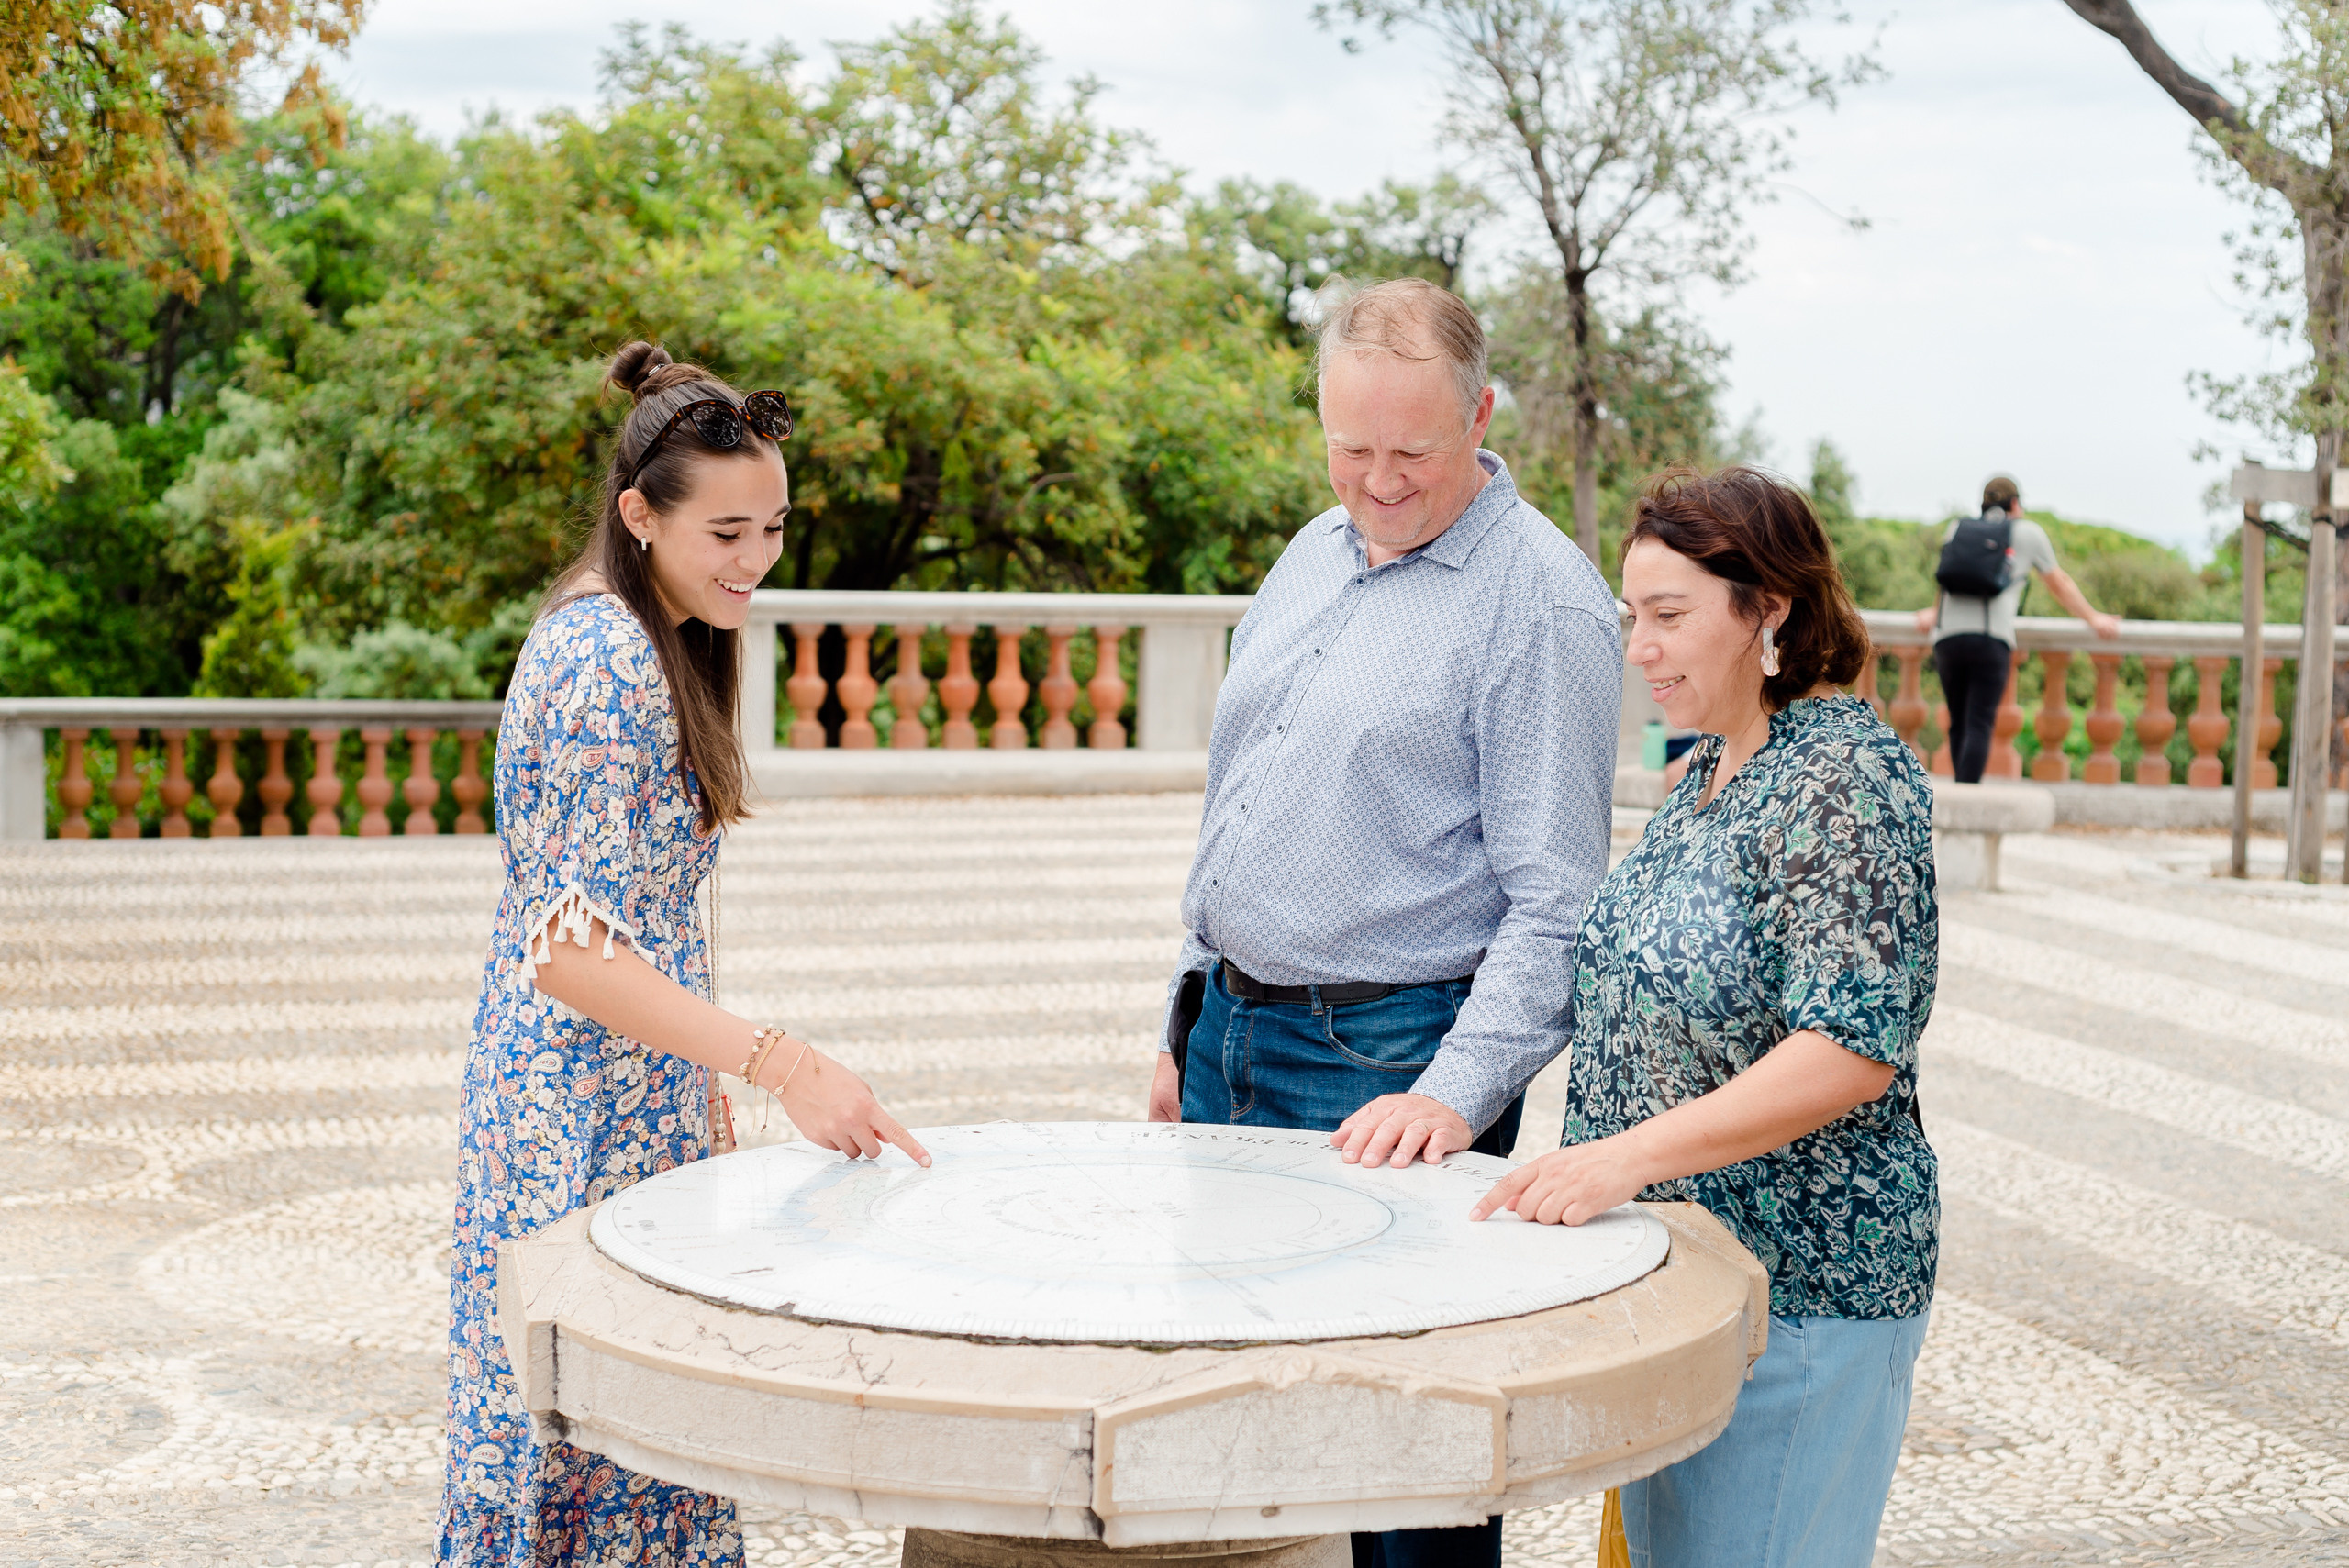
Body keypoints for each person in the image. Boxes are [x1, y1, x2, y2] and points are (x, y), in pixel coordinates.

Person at [1146, 277, 1621, 1568]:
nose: (1379, 479)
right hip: (1230, 1035)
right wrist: (1187, 1012)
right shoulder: (1316, 546)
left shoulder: (1544, 605)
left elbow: (1561, 902)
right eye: (1350, 448)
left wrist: (1457, 1097)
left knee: (1406, 1473)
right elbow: (1237, 789)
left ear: (1479, 416)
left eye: (1411, 450)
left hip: (1389, 1065)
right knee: (1243, 1427)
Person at [438, 342, 929, 1566]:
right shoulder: (605, 659)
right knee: (580, 1452)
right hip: (570, 1107)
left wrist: (699, 1071)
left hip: (628, 1084)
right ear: (639, 515)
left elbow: (645, 907)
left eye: (772, 527)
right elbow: (569, 955)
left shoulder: (661, 632)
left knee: (633, 1450)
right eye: (726, 533)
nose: (756, 560)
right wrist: (781, 1062)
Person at [1475, 466, 1939, 1568]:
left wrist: (1618, 1160)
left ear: (1767, 608)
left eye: (1671, 615)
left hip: (1802, 1299)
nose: (1640, 645)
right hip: (1684, 1291)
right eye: (1635, 615)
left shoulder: (1845, 775)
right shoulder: (1707, 773)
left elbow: (1850, 1046)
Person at [1916, 474, 2120, 782]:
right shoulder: (2027, 532)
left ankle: (1960, 799)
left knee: (1958, 721)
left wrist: (1933, 612)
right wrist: (2093, 618)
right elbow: (2058, 583)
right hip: (1991, 639)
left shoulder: (1957, 528)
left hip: (1948, 639)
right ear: (2015, 504)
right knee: (1979, 722)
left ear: (1983, 503)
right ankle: (1967, 798)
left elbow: (1945, 578)